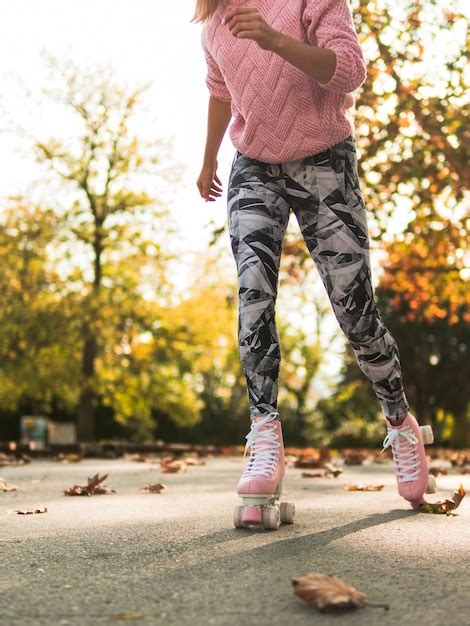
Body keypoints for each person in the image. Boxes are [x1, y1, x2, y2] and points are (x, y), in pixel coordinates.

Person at [194, 0, 435, 528]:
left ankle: (399, 421)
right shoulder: (214, 19)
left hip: (325, 161)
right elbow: (219, 90)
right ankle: (264, 433)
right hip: (253, 167)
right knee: (253, 293)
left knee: (355, 309)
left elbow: (349, 71)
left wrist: (274, 39)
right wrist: (210, 155)